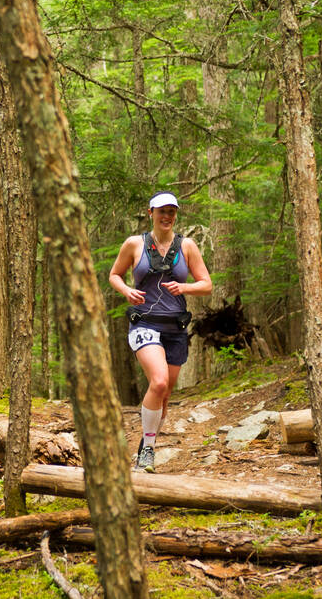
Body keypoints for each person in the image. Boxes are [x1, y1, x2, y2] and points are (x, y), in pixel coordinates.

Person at [108, 191, 212, 471]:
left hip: (176, 327)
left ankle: (146, 448)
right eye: (161, 211)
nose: (167, 216)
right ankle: (148, 453)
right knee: (159, 382)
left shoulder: (187, 246)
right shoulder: (134, 244)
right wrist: (126, 290)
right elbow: (114, 274)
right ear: (150, 212)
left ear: (176, 214)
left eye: (171, 211)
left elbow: (206, 284)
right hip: (145, 323)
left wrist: (185, 287)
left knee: (163, 396)